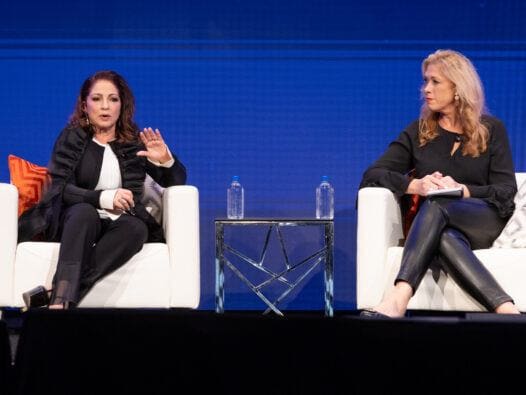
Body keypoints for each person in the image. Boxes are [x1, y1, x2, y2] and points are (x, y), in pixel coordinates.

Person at [359, 49, 520, 318]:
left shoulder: (492, 130)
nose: (425, 89)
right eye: (425, 81)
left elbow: (505, 191)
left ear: (458, 88)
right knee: (443, 232)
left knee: (438, 202)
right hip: (439, 224)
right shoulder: (419, 131)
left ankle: (399, 295)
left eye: (434, 82)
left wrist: (464, 190)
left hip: (484, 218)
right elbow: (373, 173)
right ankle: (505, 308)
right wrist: (416, 186)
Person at [18, 70, 186, 309]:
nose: (105, 106)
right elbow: (60, 189)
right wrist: (105, 198)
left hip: (119, 224)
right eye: (97, 99)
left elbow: (178, 182)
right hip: (76, 221)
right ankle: (60, 303)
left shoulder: (134, 143)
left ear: (122, 105)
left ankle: (56, 294)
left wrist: (166, 160)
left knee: (136, 227)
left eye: (113, 99)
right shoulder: (72, 138)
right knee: (84, 212)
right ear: (84, 106)